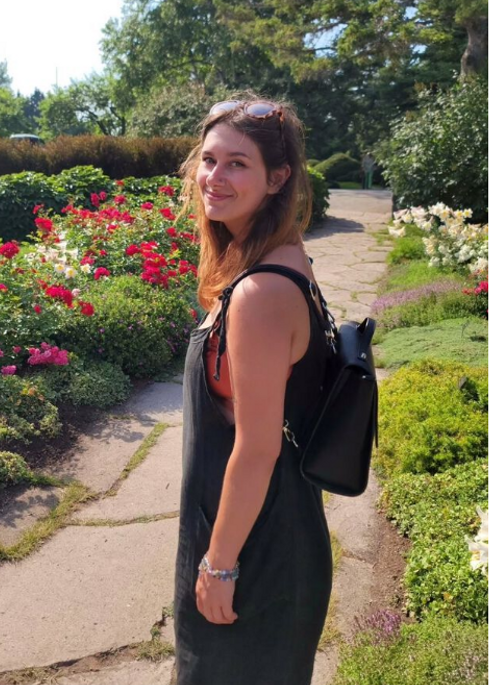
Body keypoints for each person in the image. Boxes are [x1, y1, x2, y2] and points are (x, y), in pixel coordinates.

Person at [171, 95, 332, 684]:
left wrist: (220, 565)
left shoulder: (262, 291)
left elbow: (257, 447)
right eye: (209, 161)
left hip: (256, 549)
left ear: (277, 177)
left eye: (237, 163)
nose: (214, 178)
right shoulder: (273, 257)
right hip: (254, 529)